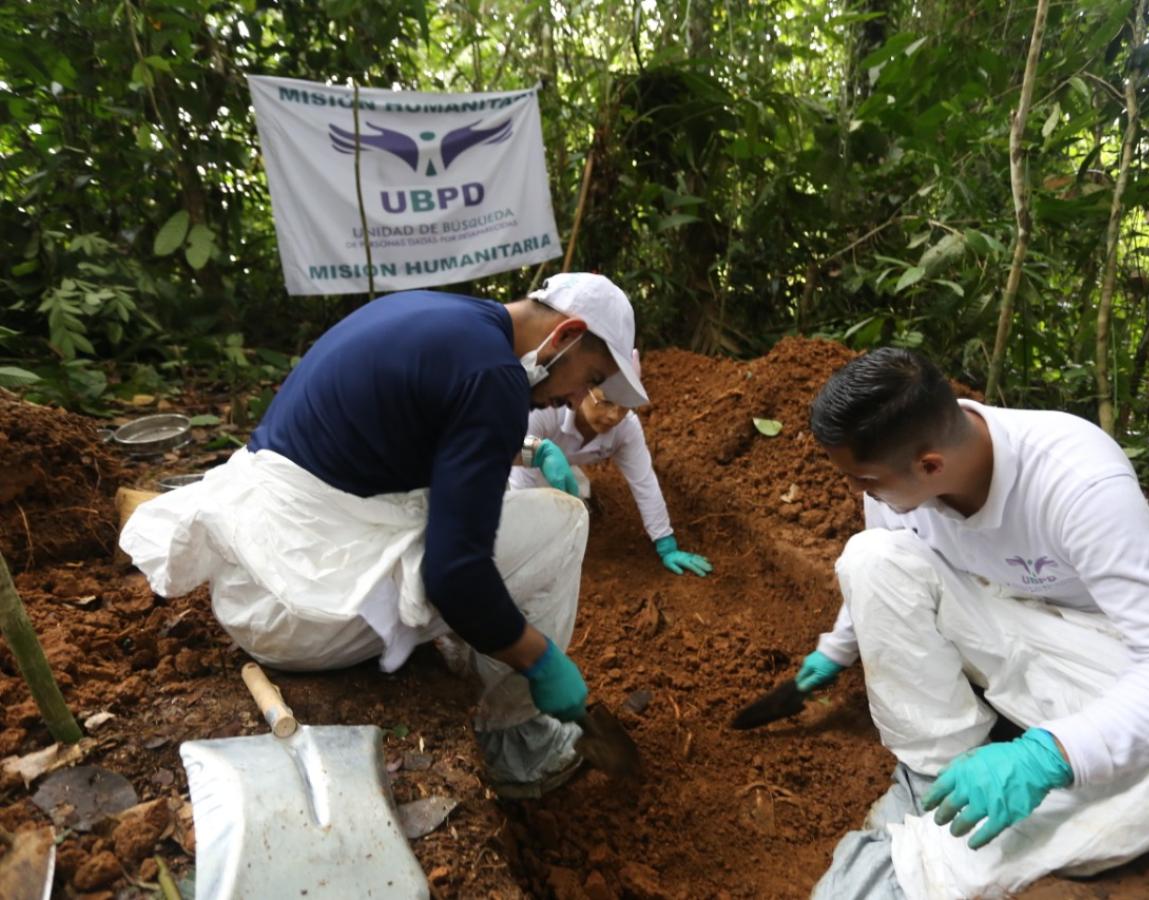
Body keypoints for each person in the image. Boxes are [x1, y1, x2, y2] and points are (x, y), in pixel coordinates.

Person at [119, 272, 648, 799]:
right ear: (566, 336)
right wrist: (541, 659)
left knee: (485, 507)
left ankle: (477, 654)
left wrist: (528, 450)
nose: (575, 397)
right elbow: (455, 575)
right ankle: (517, 742)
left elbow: (425, 432)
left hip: (255, 578)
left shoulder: (443, 319)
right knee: (562, 521)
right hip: (303, 615)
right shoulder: (494, 378)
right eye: (590, 375)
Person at [767, 348, 1149, 898]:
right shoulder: (899, 485)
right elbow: (892, 565)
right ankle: (936, 777)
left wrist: (1049, 755)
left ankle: (929, 863)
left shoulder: (1077, 480)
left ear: (929, 465)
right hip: (1006, 628)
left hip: (1103, 656)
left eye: (864, 480)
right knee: (871, 555)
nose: (858, 491)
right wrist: (837, 648)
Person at [508, 351, 712, 577]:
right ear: (581, 389)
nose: (614, 416)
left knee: (573, 501)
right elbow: (518, 468)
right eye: (605, 402)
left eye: (625, 406)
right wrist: (527, 544)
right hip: (508, 459)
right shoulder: (545, 409)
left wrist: (666, 543)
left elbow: (644, 482)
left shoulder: (626, 430)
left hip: (561, 462)